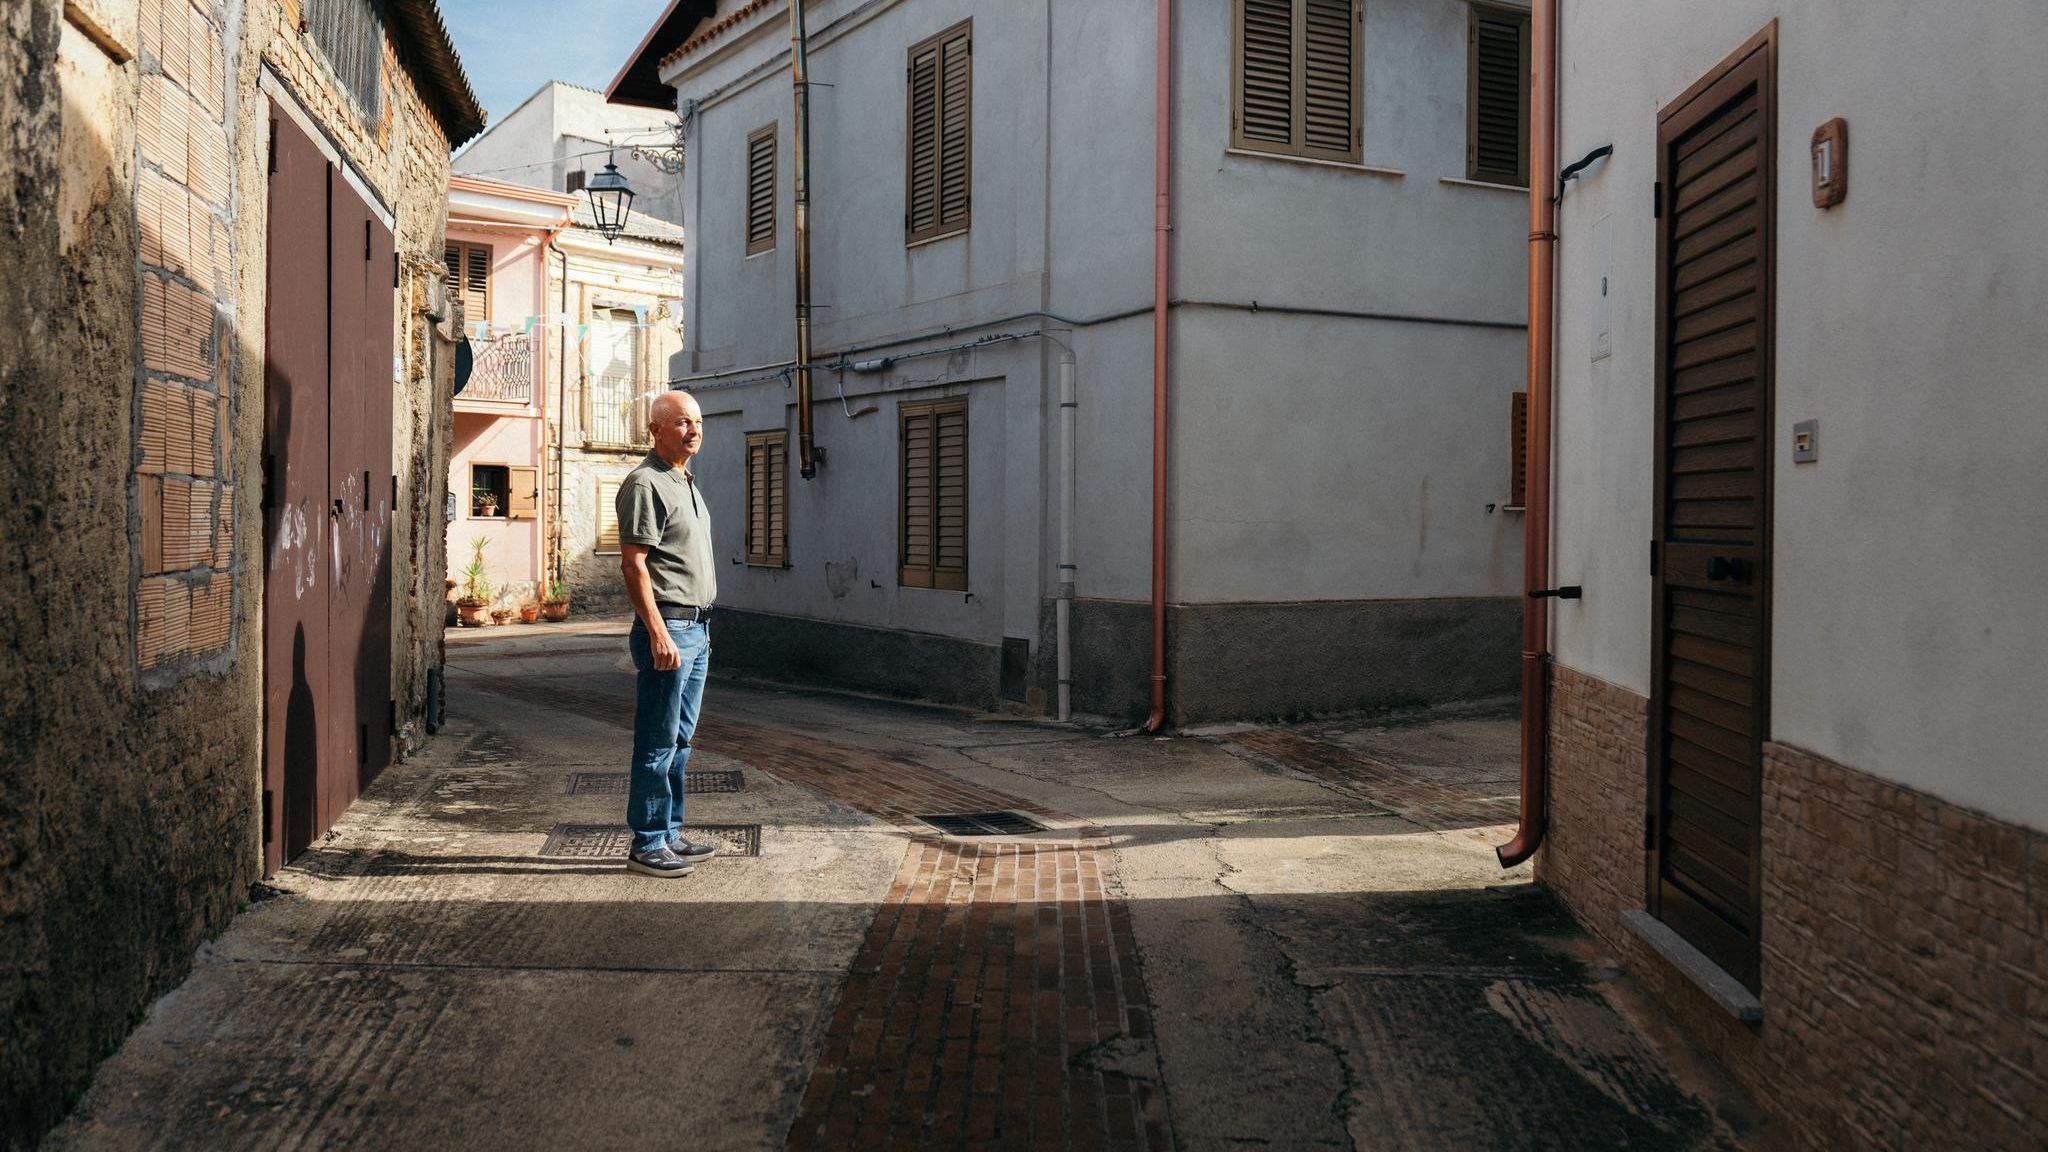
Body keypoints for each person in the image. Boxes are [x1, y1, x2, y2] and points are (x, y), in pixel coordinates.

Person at [616, 390, 720, 877]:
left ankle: (670, 831)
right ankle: (648, 841)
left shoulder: (686, 482)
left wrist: (700, 626)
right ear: (655, 430)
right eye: (681, 422)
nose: (693, 429)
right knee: (657, 740)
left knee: (681, 740)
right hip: (671, 628)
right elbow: (635, 565)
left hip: (695, 627)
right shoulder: (645, 483)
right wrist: (658, 632)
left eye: (697, 421)